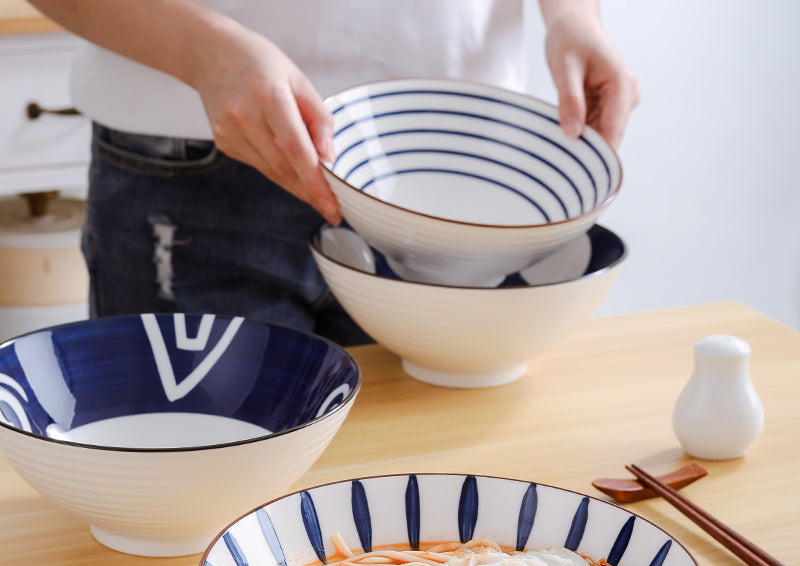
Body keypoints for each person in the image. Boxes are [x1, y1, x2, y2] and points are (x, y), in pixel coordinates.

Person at [29, 0, 639, 345]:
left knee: (432, 506)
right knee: (182, 494)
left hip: (465, 182)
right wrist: (201, 49)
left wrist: (574, 18)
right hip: (195, 165)